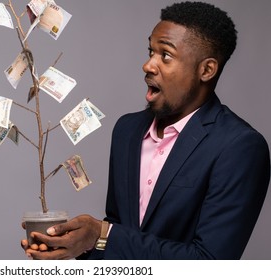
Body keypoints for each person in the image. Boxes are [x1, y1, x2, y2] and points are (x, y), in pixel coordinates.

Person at [21, 1, 270, 259]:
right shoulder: (127, 130)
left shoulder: (239, 147)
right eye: (150, 51)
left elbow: (210, 262)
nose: (148, 65)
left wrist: (102, 233)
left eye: (166, 55)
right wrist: (73, 247)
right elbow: (119, 238)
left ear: (206, 70)